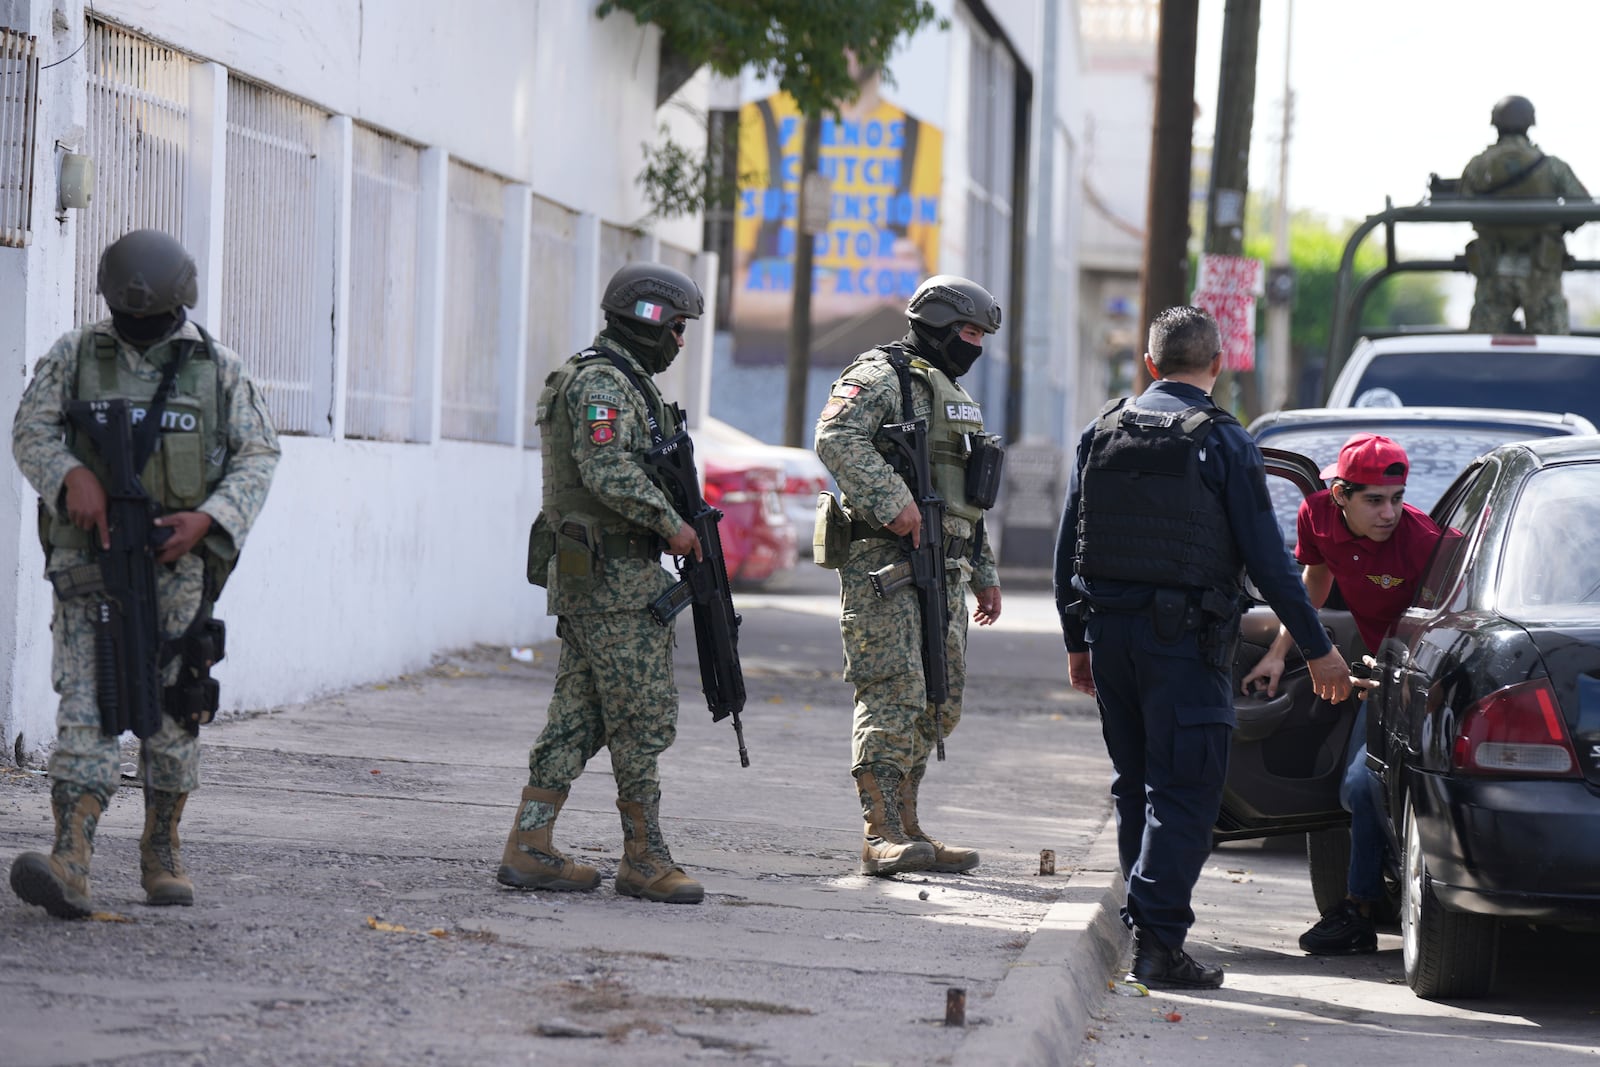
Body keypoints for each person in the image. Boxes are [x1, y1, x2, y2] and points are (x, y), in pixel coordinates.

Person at [1054, 306, 1352, 990]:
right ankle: (1158, 943)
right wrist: (1319, 648)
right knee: (1185, 794)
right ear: (1217, 365)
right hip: (1185, 645)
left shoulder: (1101, 431)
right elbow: (1271, 565)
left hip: (1111, 638)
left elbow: (1068, 543)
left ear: (1151, 363)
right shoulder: (1224, 441)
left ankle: (1143, 924)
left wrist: (1077, 640)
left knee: (1137, 786)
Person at [9, 229, 280, 919]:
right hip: (90, 564)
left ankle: (162, 846)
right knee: (87, 704)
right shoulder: (75, 356)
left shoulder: (216, 367)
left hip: (177, 569)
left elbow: (258, 453)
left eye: (150, 317)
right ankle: (72, 855)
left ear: (179, 304)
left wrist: (208, 520)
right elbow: (29, 430)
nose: (137, 328)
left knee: (175, 711)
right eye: (126, 316)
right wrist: (69, 475)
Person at [497, 262, 707, 906]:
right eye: (675, 328)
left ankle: (530, 846)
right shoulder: (602, 382)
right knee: (641, 717)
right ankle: (644, 857)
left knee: (579, 717)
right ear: (646, 319)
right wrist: (671, 524)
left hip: (612, 577)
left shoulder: (624, 380)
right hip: (611, 580)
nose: (679, 341)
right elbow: (605, 466)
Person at [813, 274, 1004, 879]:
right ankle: (880, 833)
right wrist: (892, 498)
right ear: (940, 324)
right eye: (969, 332)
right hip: (885, 563)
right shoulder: (880, 375)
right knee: (892, 690)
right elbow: (836, 437)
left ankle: (910, 826)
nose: (975, 345)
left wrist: (984, 572)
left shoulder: (949, 395)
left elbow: (966, 496)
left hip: (945, 567)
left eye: (981, 336)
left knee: (936, 700)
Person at [1241, 433, 1446, 955]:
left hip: (1420, 678)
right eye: (1373, 501)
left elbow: (1444, 625)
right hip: (1379, 675)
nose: (1389, 513)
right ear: (1340, 496)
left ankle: (1360, 903)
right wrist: (1280, 653)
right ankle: (1364, 910)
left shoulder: (1425, 541)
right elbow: (1313, 581)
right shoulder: (1316, 517)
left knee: (1360, 785)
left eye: (1396, 499)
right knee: (1356, 790)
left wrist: (1399, 679)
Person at [1461, 94, 1589, 334]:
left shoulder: (1478, 166)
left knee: (1481, 351)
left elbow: (1463, 205)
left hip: (1492, 268)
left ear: (1495, 124)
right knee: (1553, 351)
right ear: (1530, 124)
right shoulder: (1551, 166)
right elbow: (1582, 206)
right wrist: (1555, 227)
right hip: (1541, 267)